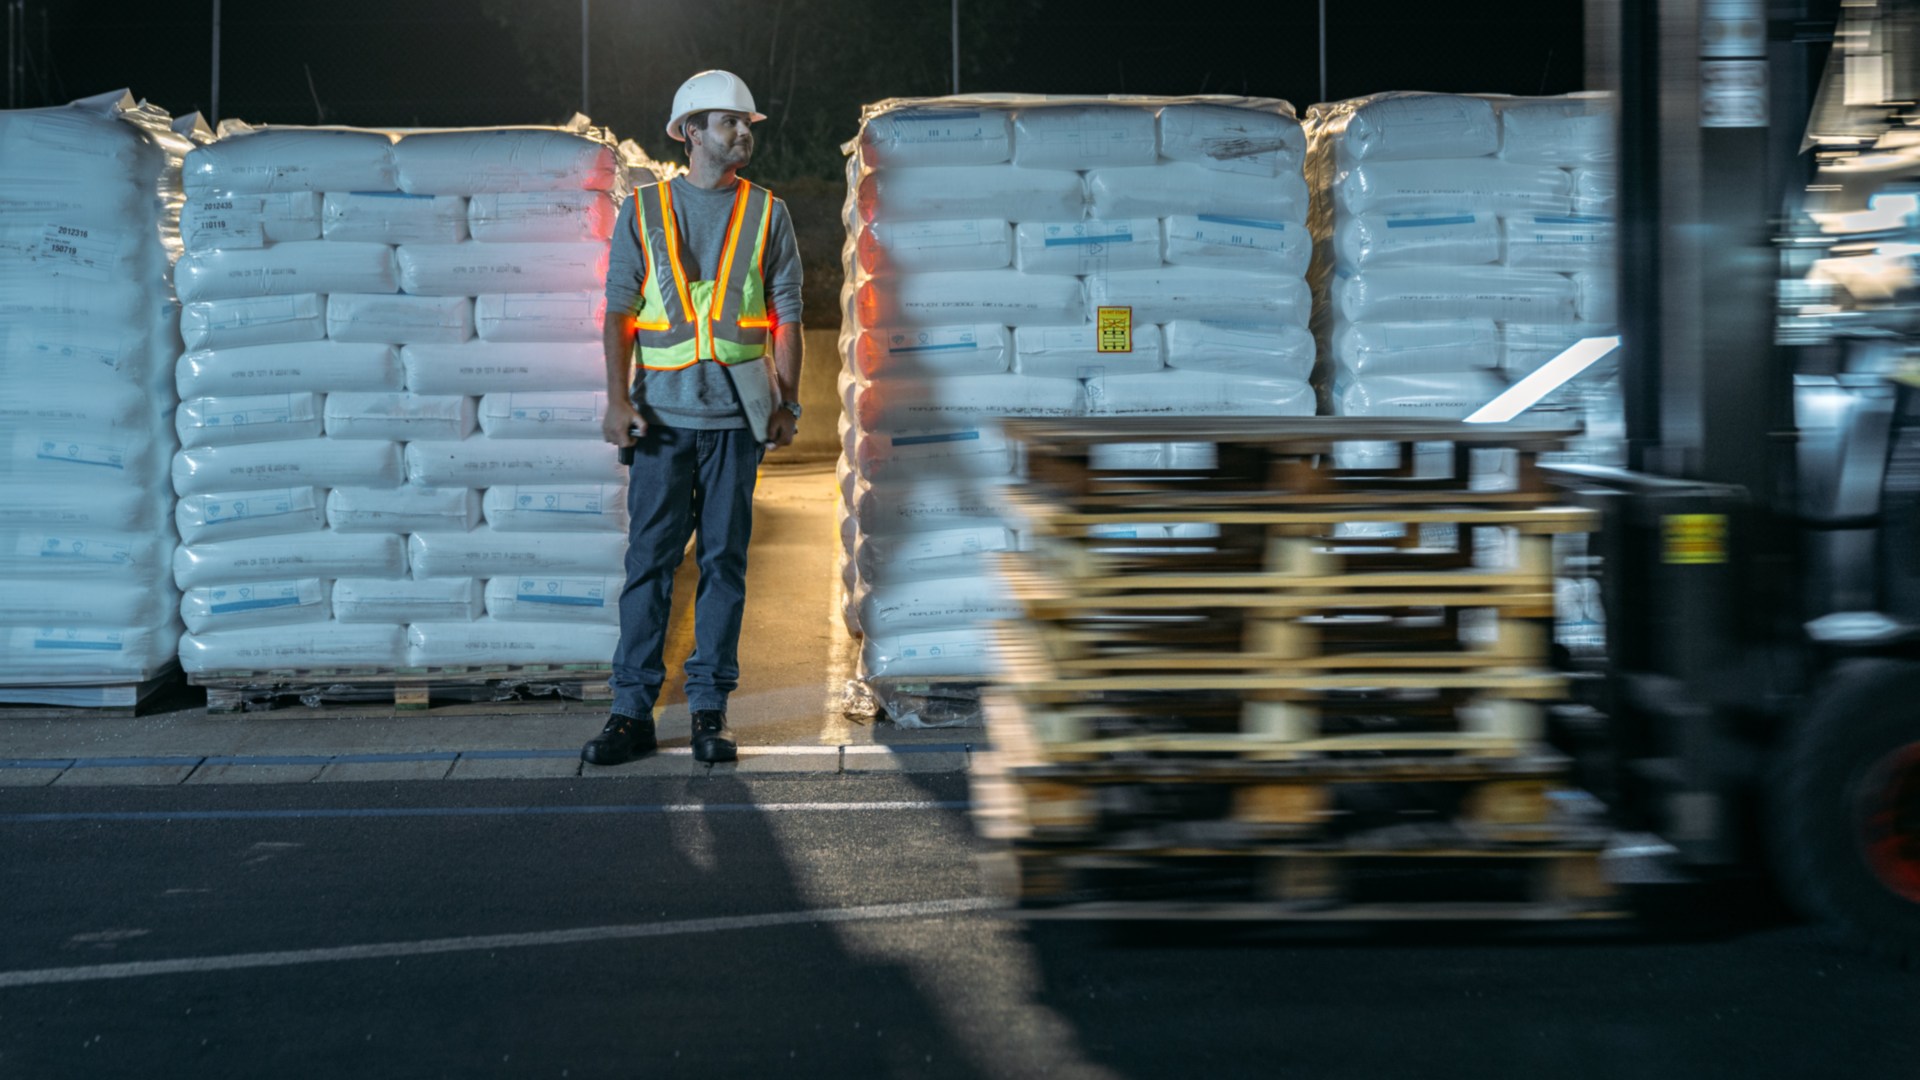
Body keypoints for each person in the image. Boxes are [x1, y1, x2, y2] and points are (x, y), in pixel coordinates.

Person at [583, 70, 804, 766]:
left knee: (723, 565)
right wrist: (617, 400)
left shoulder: (770, 212)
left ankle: (710, 710)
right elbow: (620, 309)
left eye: (746, 123)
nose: (743, 133)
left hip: (737, 423)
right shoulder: (643, 211)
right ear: (690, 132)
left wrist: (787, 404)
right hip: (660, 421)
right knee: (648, 564)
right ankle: (630, 712)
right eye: (729, 122)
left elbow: (788, 316)